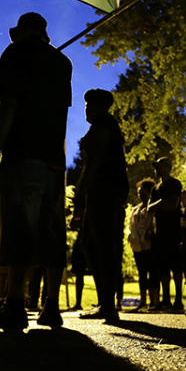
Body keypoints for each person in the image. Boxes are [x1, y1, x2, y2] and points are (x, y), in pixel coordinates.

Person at [0, 11, 71, 331]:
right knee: (51, 230)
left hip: (22, 155)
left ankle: (15, 304)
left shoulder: (15, 54)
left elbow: (8, 106)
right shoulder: (62, 63)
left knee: (19, 227)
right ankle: (52, 307)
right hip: (55, 161)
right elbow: (61, 116)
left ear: (25, 31)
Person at [75, 88, 129, 323]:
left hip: (104, 191)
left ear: (96, 107)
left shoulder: (104, 126)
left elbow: (94, 161)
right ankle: (105, 301)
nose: (85, 109)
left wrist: (81, 189)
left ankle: (107, 303)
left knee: (102, 244)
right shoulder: (104, 126)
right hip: (105, 191)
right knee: (95, 243)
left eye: (88, 105)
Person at [147, 157, 183, 311]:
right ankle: (166, 299)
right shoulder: (155, 189)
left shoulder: (174, 184)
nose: (157, 169)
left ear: (168, 167)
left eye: (159, 166)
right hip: (159, 232)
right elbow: (149, 208)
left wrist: (158, 205)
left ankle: (179, 300)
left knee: (176, 267)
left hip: (173, 231)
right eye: (156, 166)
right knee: (163, 268)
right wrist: (161, 202)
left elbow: (173, 205)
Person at [128, 178, 158, 311]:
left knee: (152, 273)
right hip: (137, 246)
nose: (140, 194)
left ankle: (154, 301)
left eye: (143, 192)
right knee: (142, 274)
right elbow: (131, 226)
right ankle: (143, 301)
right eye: (139, 192)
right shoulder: (135, 210)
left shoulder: (153, 209)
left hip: (150, 246)